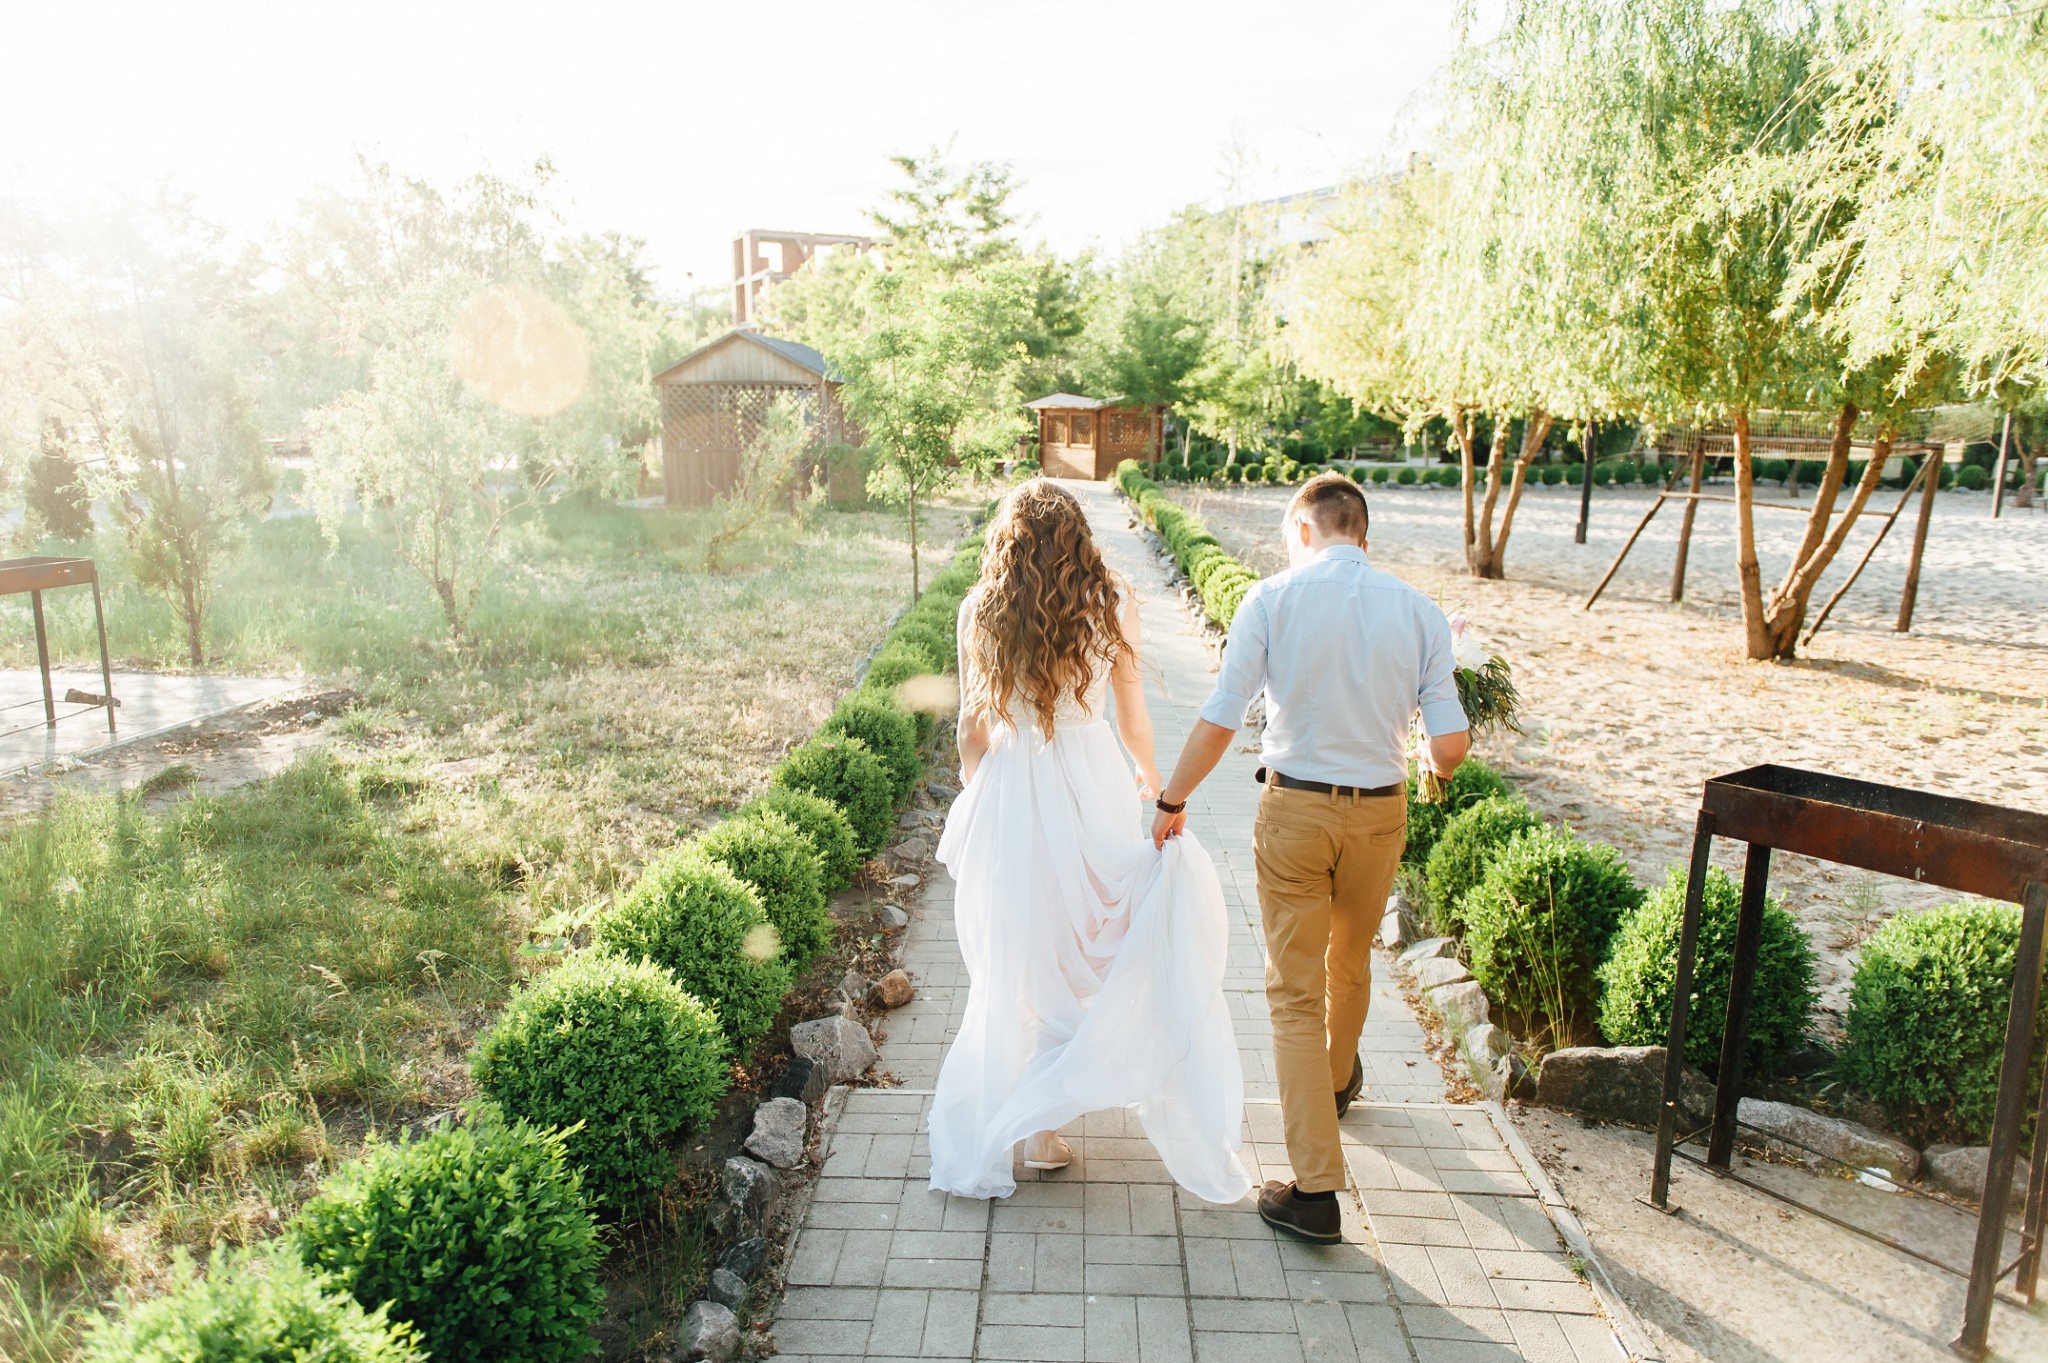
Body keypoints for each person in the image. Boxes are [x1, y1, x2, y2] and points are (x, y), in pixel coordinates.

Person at [1151, 472, 1469, 1242]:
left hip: (1294, 810)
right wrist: (1432, 764)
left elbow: (1222, 713)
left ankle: (1316, 1189)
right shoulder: (1420, 611)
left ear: (1303, 528)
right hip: (1381, 812)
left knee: (1294, 993)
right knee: (1350, 959)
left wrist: (1171, 798)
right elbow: (1451, 744)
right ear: (1362, 533)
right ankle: (1334, 1082)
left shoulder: (1271, 599)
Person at [926, 479, 1252, 1204]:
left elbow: (972, 726)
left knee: (1020, 949)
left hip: (1011, 778)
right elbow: (1132, 716)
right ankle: (1045, 1122)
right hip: (1090, 776)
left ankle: (1033, 1122)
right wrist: (1158, 785)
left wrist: (976, 786)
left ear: (1008, 540)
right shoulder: (1112, 600)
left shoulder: (981, 607)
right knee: (1084, 938)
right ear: (1079, 534)